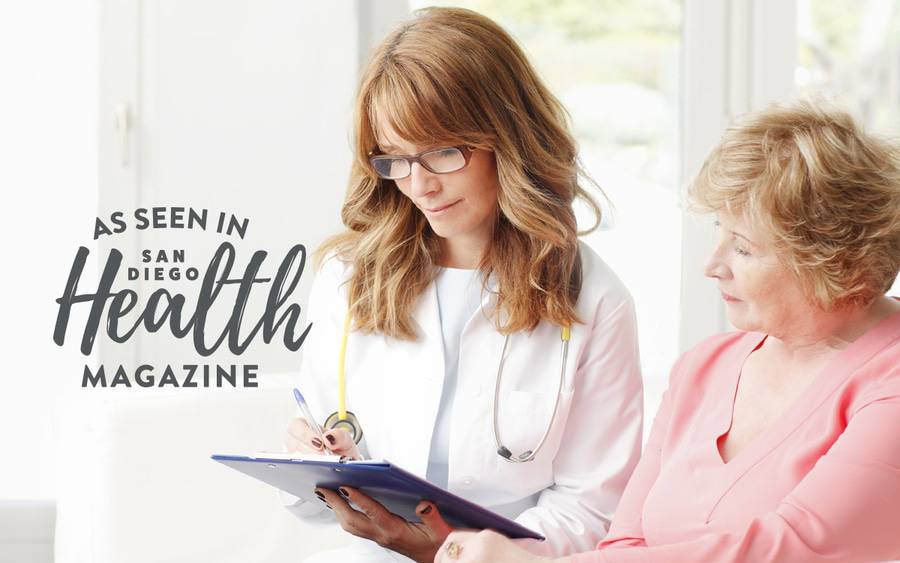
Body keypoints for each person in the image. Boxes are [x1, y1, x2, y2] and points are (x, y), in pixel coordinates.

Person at [435, 100, 900, 563]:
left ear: (830, 261)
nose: (712, 265)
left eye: (743, 248)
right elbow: (624, 544)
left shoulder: (889, 383)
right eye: (719, 232)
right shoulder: (706, 367)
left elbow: (794, 548)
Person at [281, 7, 644, 563]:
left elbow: (593, 509)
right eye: (396, 160)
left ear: (509, 136)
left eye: (443, 153)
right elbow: (319, 485)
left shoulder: (594, 299)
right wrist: (313, 458)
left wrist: (457, 554)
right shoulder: (349, 280)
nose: (420, 185)